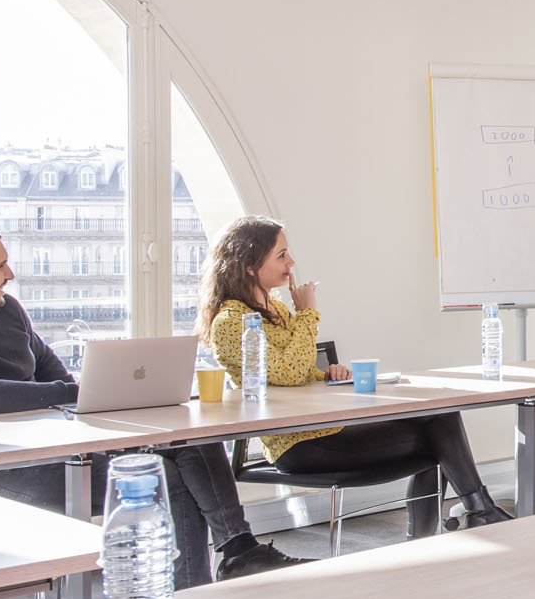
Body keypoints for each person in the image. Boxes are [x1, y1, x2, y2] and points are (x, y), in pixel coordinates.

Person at [0, 219, 301, 586]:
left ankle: (234, 555)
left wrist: (90, 394)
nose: (10, 273)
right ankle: (204, 583)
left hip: (60, 447)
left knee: (185, 438)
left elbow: (52, 371)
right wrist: (71, 395)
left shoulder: (8, 312)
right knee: (163, 476)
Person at [200, 217, 509, 534]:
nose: (291, 263)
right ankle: (473, 514)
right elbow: (289, 374)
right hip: (297, 445)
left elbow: (297, 373)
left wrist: (327, 375)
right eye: (281, 255)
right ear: (249, 264)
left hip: (326, 429)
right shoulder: (230, 322)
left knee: (437, 418)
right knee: (439, 431)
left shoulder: (277, 311)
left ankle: (466, 517)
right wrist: (308, 313)